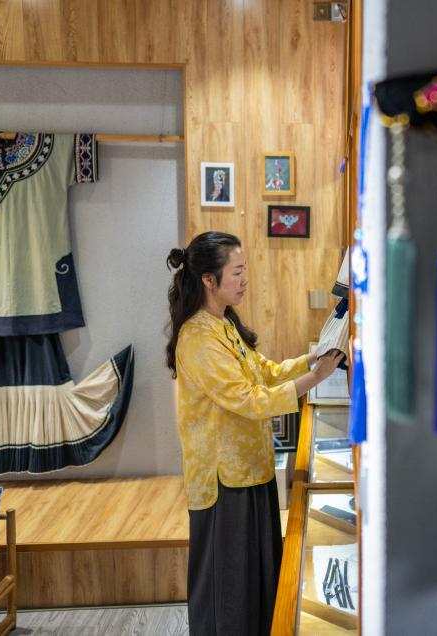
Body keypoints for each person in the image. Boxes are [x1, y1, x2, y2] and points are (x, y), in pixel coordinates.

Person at [166, 231, 343, 636]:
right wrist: (314, 378)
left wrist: (310, 359)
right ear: (209, 280)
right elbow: (248, 400)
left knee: (254, 581)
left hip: (250, 469)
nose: (245, 279)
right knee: (227, 589)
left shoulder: (224, 323)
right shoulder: (197, 337)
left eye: (245, 269)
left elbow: (265, 372)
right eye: (237, 272)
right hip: (222, 480)